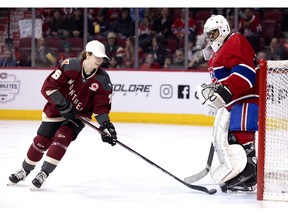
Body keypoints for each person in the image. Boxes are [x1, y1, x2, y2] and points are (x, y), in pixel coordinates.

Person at [8, 40, 118, 189]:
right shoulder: (70, 65)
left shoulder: (103, 80)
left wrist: (106, 126)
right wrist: (63, 105)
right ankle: (24, 170)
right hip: (56, 111)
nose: (99, 60)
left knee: (62, 137)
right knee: (41, 140)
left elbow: (101, 108)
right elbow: (48, 87)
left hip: (78, 116)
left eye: (101, 57)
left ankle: (44, 173)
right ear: (88, 54)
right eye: (96, 56)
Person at [196, 14, 259, 192]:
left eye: (214, 33)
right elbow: (223, 79)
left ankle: (250, 172)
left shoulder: (234, 41)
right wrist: (216, 95)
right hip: (235, 100)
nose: (211, 37)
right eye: (208, 34)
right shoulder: (217, 51)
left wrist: (227, 90)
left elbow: (245, 73)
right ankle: (239, 172)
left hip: (247, 96)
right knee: (229, 137)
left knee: (240, 133)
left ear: (223, 29)